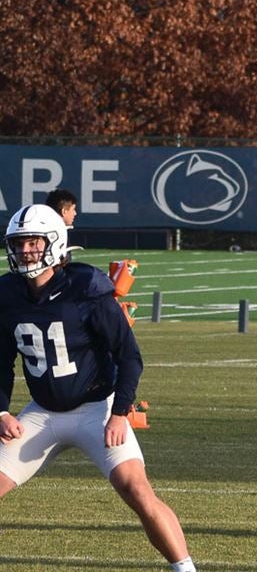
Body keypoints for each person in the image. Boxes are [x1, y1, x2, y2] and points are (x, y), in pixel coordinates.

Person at [0, 204, 195, 572]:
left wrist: (120, 413)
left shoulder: (86, 287)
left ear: (55, 244)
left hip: (97, 409)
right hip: (41, 414)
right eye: (19, 243)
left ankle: (185, 568)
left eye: (32, 243)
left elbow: (129, 356)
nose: (24, 251)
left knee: (136, 489)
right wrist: (2, 410)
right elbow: (0, 361)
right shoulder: (7, 294)